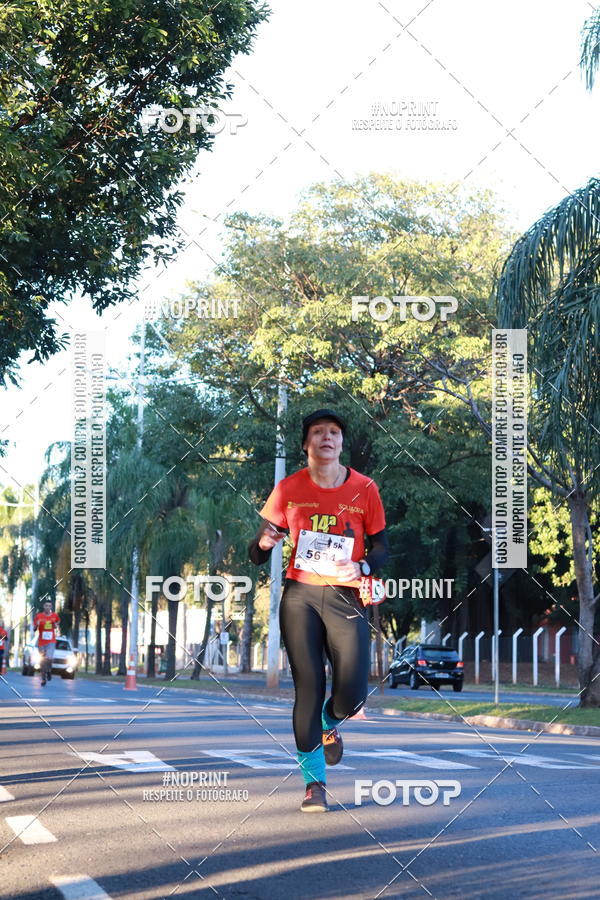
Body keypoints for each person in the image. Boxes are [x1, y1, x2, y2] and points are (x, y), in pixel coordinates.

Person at [248, 408, 389, 812]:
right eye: (317, 432)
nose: (326, 438)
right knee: (308, 687)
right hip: (301, 597)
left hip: (347, 595)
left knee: (352, 698)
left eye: (333, 432)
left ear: (342, 442)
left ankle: (331, 723)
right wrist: (264, 543)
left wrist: (363, 565)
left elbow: (382, 548)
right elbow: (256, 549)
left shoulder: (365, 489)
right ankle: (314, 785)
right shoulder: (288, 488)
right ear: (306, 444)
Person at [33, 601, 60, 686]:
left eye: (49, 606)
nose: (48, 607)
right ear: (43, 606)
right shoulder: (39, 616)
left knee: (49, 659)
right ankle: (43, 678)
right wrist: (36, 625)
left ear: (51, 607)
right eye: (46, 605)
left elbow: (57, 623)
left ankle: (49, 671)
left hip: (51, 641)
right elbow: (34, 629)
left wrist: (55, 625)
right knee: (42, 660)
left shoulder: (54, 615)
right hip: (41, 642)